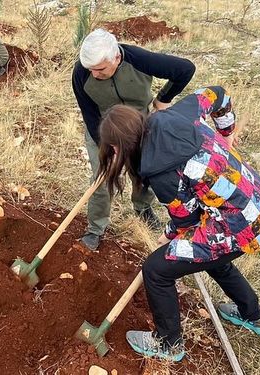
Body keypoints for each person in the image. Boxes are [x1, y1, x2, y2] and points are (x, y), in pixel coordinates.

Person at [96, 86, 260, 361]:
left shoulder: (159, 173)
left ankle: (168, 344)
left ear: (117, 147)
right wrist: (226, 132)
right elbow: (218, 95)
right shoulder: (173, 115)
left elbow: (187, 222)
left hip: (240, 225)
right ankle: (254, 317)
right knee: (209, 256)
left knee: (156, 270)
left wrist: (168, 235)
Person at [72, 28, 196, 251]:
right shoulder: (81, 73)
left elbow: (185, 69)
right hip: (104, 128)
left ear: (116, 58)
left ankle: (142, 208)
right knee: (101, 176)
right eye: (90, 69)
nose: (94, 75)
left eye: (100, 69)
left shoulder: (138, 59)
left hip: (140, 126)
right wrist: (107, 146)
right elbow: (89, 115)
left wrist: (163, 98)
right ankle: (95, 229)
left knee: (144, 171)